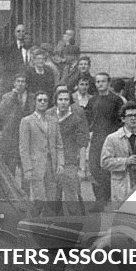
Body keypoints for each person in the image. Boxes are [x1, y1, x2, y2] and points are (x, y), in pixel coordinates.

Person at [20, 92, 63, 216]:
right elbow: (24, 147)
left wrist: (61, 163)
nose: (43, 102)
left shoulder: (53, 121)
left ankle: (48, 225)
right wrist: (27, 169)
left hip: (51, 165)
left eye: (45, 100)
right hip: (35, 166)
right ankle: (32, 223)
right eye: (40, 100)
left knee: (51, 198)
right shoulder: (27, 121)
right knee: (38, 199)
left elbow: (59, 145)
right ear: (35, 102)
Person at [86, 72, 124, 211]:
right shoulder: (92, 101)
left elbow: (120, 120)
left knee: (107, 168)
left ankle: (103, 200)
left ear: (108, 83)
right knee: (94, 168)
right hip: (96, 137)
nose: (100, 84)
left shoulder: (116, 100)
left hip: (111, 137)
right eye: (98, 82)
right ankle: (99, 197)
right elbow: (88, 120)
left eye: (103, 81)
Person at [49, 88, 89, 216]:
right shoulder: (49, 116)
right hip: (52, 163)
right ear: (56, 101)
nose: (63, 102)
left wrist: (82, 168)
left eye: (66, 99)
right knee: (53, 198)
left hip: (70, 163)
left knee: (72, 198)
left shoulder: (76, 119)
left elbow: (82, 144)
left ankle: (77, 224)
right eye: (60, 99)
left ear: (70, 102)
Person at [0, 74, 31, 175]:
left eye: (23, 81)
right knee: (9, 167)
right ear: (14, 83)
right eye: (18, 81)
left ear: (26, 84)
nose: (20, 84)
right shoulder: (7, 97)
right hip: (10, 135)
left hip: (26, 135)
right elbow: (0, 113)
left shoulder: (32, 97)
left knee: (26, 169)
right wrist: (13, 96)